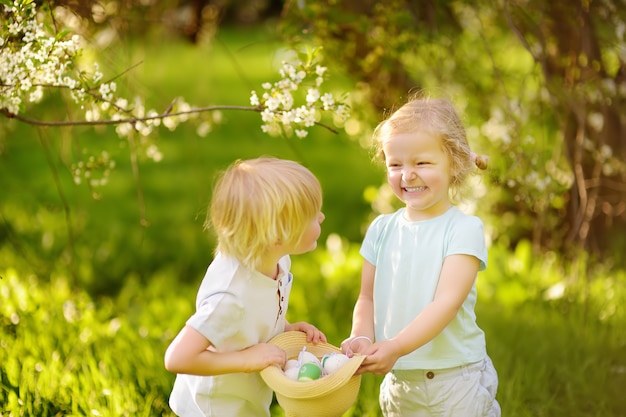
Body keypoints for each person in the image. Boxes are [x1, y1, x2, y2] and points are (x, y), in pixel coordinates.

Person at [341, 95, 500, 416]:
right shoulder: (381, 229)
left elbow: (446, 303)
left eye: (422, 163)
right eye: (395, 164)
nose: (407, 175)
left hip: (456, 379)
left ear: (454, 162)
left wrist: (396, 347)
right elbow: (367, 297)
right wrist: (361, 336)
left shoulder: (463, 229)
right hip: (401, 381)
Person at [164, 157, 327, 417]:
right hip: (214, 407)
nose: (322, 216)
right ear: (277, 235)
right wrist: (247, 360)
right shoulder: (230, 298)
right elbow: (177, 358)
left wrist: (285, 328)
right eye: (311, 215)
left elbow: (256, 314)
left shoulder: (277, 259)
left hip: (245, 400)